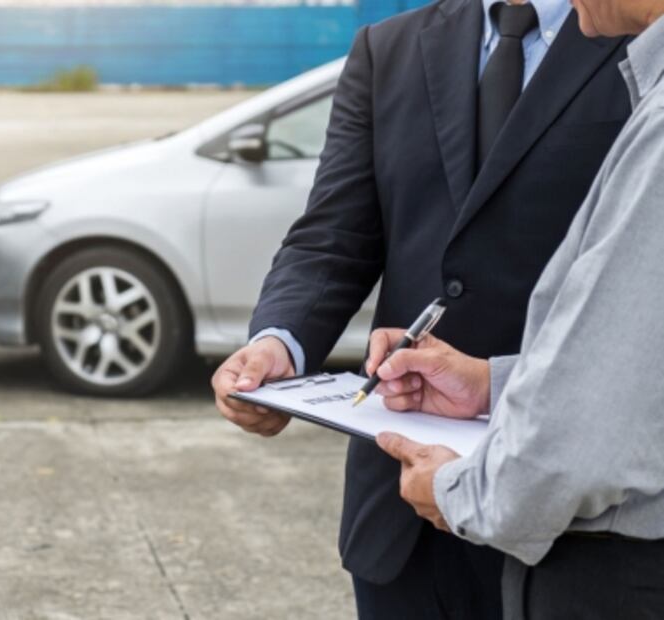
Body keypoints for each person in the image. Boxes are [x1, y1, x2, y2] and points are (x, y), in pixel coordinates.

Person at [211, 0, 633, 616]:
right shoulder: (388, 48)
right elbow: (334, 233)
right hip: (400, 507)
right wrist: (280, 342)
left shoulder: (635, 34)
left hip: (568, 510)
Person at [368, 3, 664, 614]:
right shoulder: (388, 44)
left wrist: (464, 496)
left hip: (614, 570)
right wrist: (493, 384)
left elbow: (587, 430)